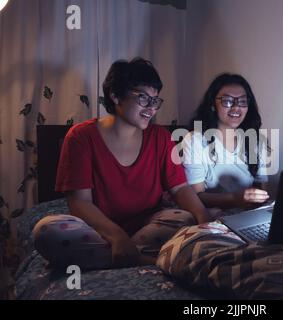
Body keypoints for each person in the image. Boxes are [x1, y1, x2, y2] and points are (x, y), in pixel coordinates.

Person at [33, 57, 210, 269]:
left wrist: (205, 220)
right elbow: (79, 202)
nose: (151, 108)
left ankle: (115, 257)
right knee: (46, 231)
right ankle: (145, 258)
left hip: (149, 225)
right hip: (97, 229)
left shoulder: (160, 137)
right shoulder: (81, 137)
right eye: (143, 98)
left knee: (184, 218)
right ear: (115, 96)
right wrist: (117, 236)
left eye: (155, 100)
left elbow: (180, 187)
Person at [182, 73, 270, 216]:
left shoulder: (255, 141)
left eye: (242, 101)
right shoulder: (195, 140)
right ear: (212, 104)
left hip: (247, 216)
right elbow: (196, 197)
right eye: (227, 101)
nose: (236, 108)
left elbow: (261, 190)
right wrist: (235, 199)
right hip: (211, 216)